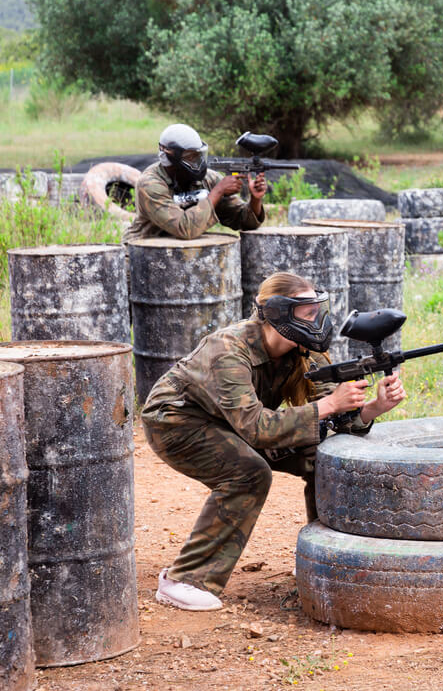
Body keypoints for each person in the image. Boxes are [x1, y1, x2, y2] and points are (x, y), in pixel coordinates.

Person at [141, 271, 406, 611]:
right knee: (248, 472)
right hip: (177, 422)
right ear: (280, 313)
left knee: (324, 453)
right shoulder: (228, 349)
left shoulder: (303, 349)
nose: (317, 320)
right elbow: (257, 429)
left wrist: (373, 407)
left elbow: (333, 418)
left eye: (316, 310)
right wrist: (328, 405)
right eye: (308, 313)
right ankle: (185, 579)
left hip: (234, 421)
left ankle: (320, 559)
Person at [124, 123, 267, 242]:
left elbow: (244, 221)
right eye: (191, 157)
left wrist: (255, 199)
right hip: (141, 254)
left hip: (181, 256)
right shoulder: (150, 184)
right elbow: (184, 229)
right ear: (170, 157)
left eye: (199, 156)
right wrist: (218, 191)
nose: (198, 163)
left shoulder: (208, 179)